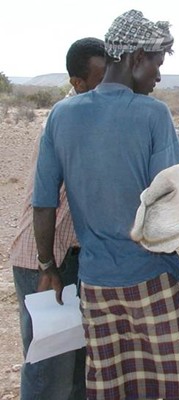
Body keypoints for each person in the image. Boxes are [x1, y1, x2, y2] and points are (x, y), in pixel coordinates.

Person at [32, 9, 179, 400]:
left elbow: (43, 202)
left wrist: (47, 267)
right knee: (172, 386)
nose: (158, 78)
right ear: (136, 58)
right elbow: (172, 197)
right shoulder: (153, 114)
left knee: (113, 388)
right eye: (157, 65)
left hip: (95, 285)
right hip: (151, 277)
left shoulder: (61, 114)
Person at [10, 36, 106, 400]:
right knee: (49, 372)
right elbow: (43, 202)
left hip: (75, 261)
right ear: (77, 83)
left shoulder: (94, 121)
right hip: (46, 259)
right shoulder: (63, 123)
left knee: (79, 370)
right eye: (98, 81)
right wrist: (47, 264)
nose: (105, 90)